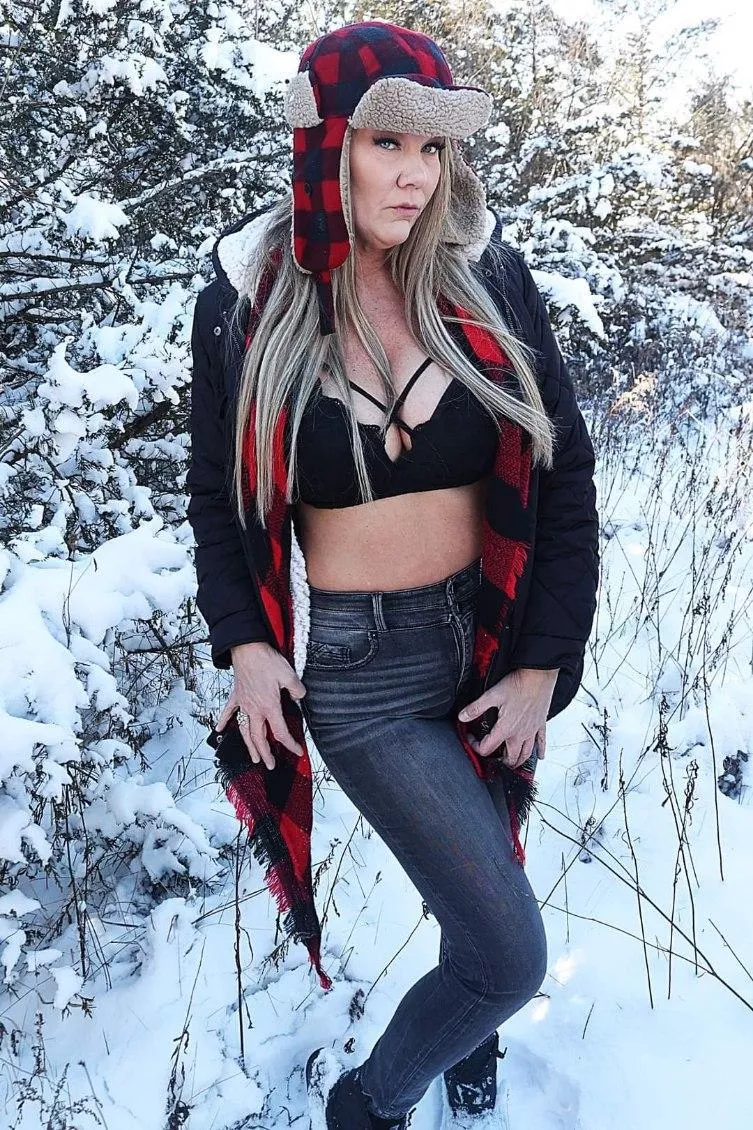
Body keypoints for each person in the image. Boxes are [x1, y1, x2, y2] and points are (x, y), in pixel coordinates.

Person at [187, 20, 599, 1130]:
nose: (417, 175)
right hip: (365, 675)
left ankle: (472, 1043)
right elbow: (217, 497)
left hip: (489, 639)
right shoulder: (247, 302)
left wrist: (542, 665)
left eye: (434, 148)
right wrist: (248, 643)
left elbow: (563, 473)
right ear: (325, 146)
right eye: (388, 144)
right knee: (508, 952)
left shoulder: (484, 276)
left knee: (484, 878)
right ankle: (368, 1105)